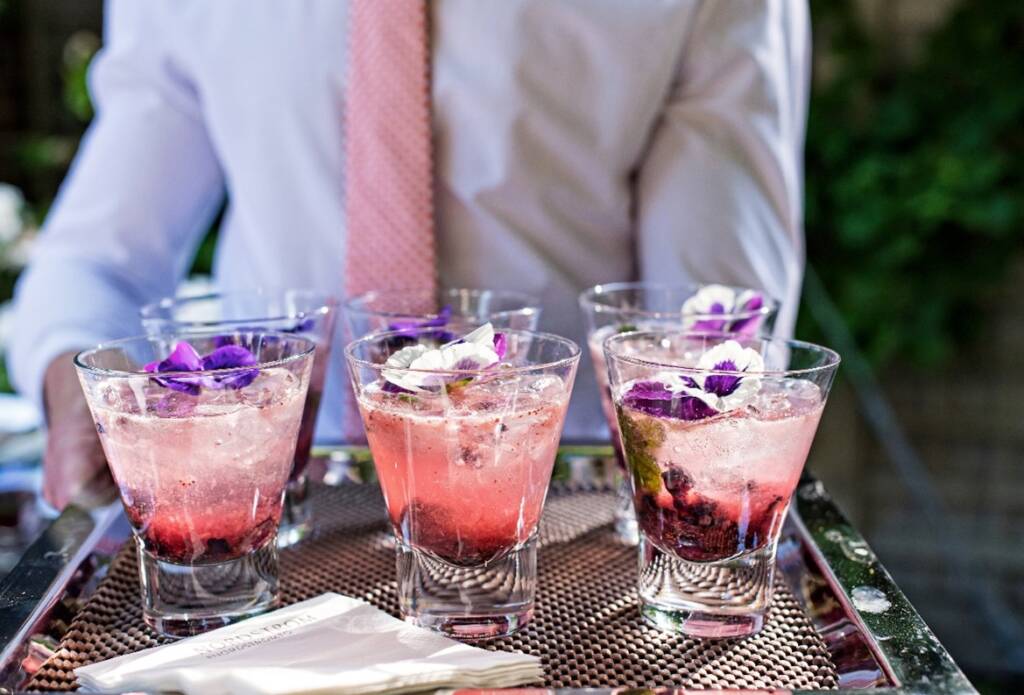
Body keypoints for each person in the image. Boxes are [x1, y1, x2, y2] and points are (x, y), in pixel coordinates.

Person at [11, 0, 810, 509]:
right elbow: (103, 258)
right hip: (264, 520)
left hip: (565, 519)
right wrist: (72, 378)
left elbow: (710, 322)